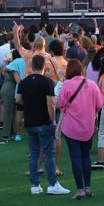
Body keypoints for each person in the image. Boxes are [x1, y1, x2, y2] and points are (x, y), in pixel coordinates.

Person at [17, 54, 69, 195]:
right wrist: (52, 120)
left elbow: (18, 100)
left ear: (32, 66)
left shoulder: (24, 82)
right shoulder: (47, 82)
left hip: (30, 121)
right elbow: (51, 103)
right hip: (44, 121)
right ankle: (52, 184)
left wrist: (30, 105)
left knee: (34, 153)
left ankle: (35, 185)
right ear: (44, 67)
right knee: (49, 154)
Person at [56, 58, 104, 200]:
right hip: (88, 126)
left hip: (71, 127)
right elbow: (99, 104)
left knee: (75, 157)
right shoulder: (92, 85)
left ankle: (80, 189)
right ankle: (88, 187)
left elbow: (60, 103)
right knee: (85, 156)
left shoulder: (66, 85)